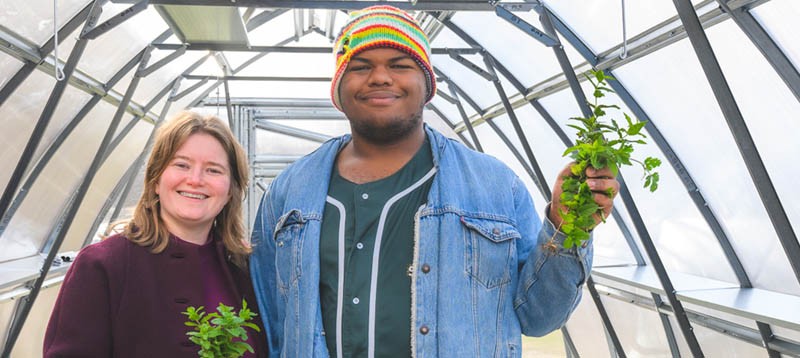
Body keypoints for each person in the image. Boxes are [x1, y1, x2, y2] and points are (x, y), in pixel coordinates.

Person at [249, 5, 620, 357]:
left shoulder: (494, 187)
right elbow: (267, 320)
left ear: (428, 84)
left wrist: (566, 228)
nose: (380, 76)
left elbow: (540, 318)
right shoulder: (290, 192)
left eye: (399, 64)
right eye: (360, 66)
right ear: (339, 89)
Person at [44, 112, 267, 357]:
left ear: (230, 192)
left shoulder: (247, 269)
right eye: (181, 165)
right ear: (155, 180)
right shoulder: (103, 265)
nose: (195, 179)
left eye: (213, 170)